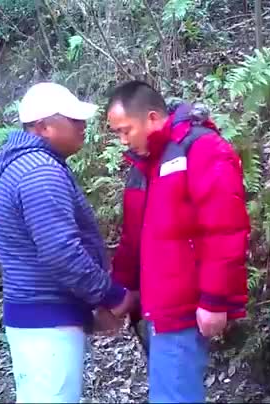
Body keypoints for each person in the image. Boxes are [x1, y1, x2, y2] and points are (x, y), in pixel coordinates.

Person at [0, 82, 137, 403]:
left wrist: (92, 304)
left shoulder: (28, 166)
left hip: (39, 317)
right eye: (73, 119)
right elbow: (62, 252)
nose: (82, 126)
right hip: (46, 320)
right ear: (43, 127)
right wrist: (111, 295)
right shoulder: (40, 173)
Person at [106, 80, 251, 403]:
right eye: (117, 133)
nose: (122, 141)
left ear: (152, 118)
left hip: (183, 308)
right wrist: (123, 289)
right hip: (155, 307)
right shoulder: (143, 165)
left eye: (125, 131)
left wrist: (215, 300)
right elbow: (133, 238)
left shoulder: (201, 149)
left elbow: (224, 228)